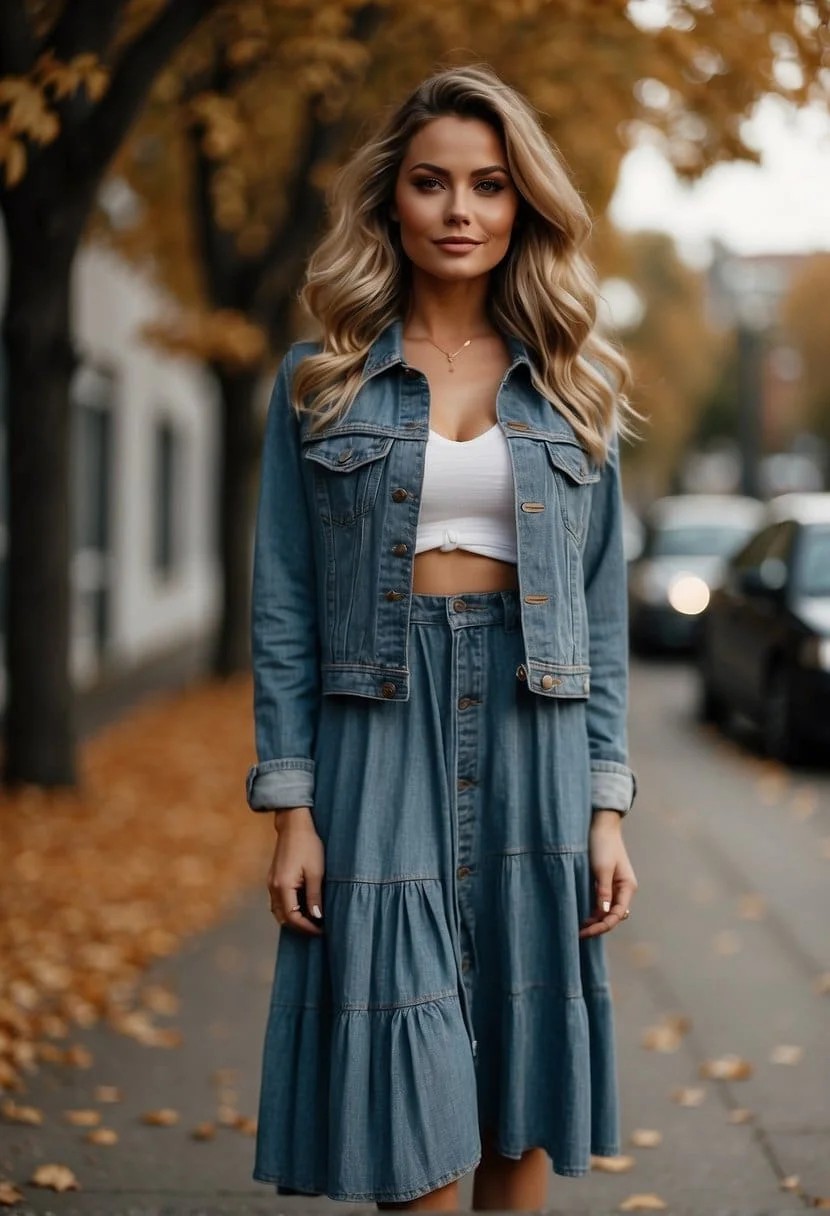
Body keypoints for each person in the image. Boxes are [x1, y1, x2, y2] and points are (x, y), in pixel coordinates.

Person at [246, 64, 638, 1211]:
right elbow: (282, 603)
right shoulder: (317, 385)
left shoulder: (576, 388)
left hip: (537, 728)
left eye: (488, 185)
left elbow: (601, 611)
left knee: (520, 1059)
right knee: (402, 1085)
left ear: (522, 206)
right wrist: (290, 808)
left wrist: (605, 811)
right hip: (376, 733)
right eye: (431, 183)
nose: (459, 210)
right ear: (391, 202)